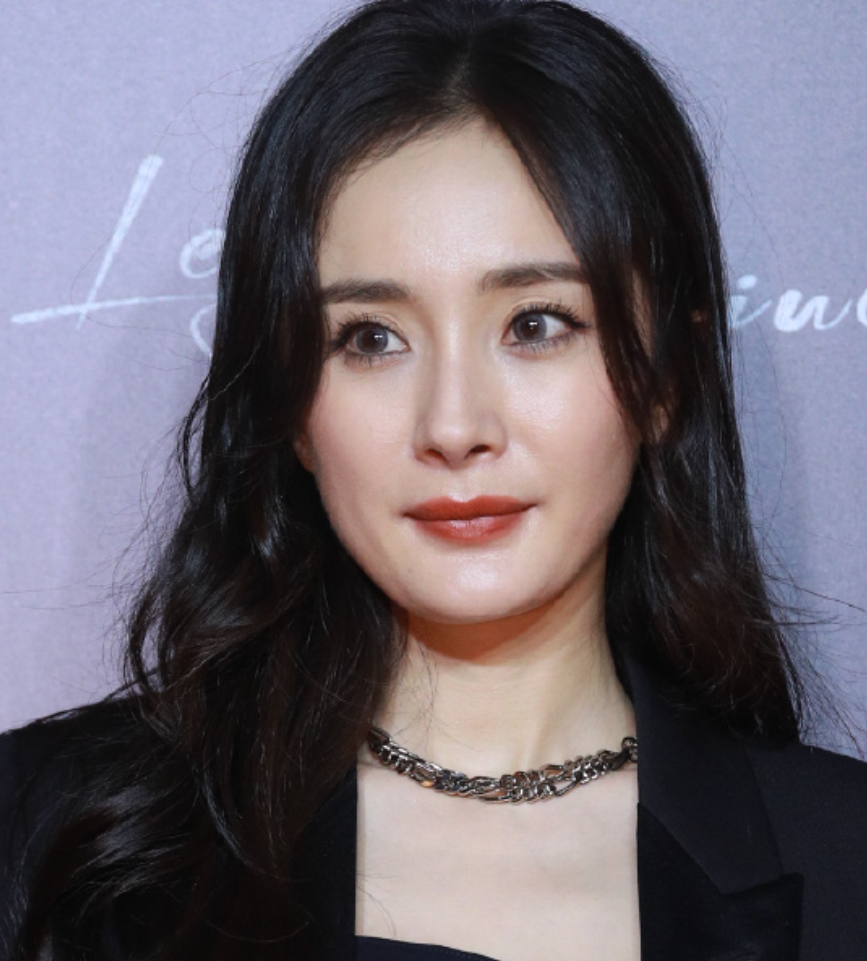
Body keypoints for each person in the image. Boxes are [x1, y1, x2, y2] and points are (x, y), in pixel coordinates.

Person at [1, 0, 865, 959]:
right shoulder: (45, 836)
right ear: (291, 404)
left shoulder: (844, 862)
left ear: (667, 377)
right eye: (371, 338)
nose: (453, 427)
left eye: (536, 324)